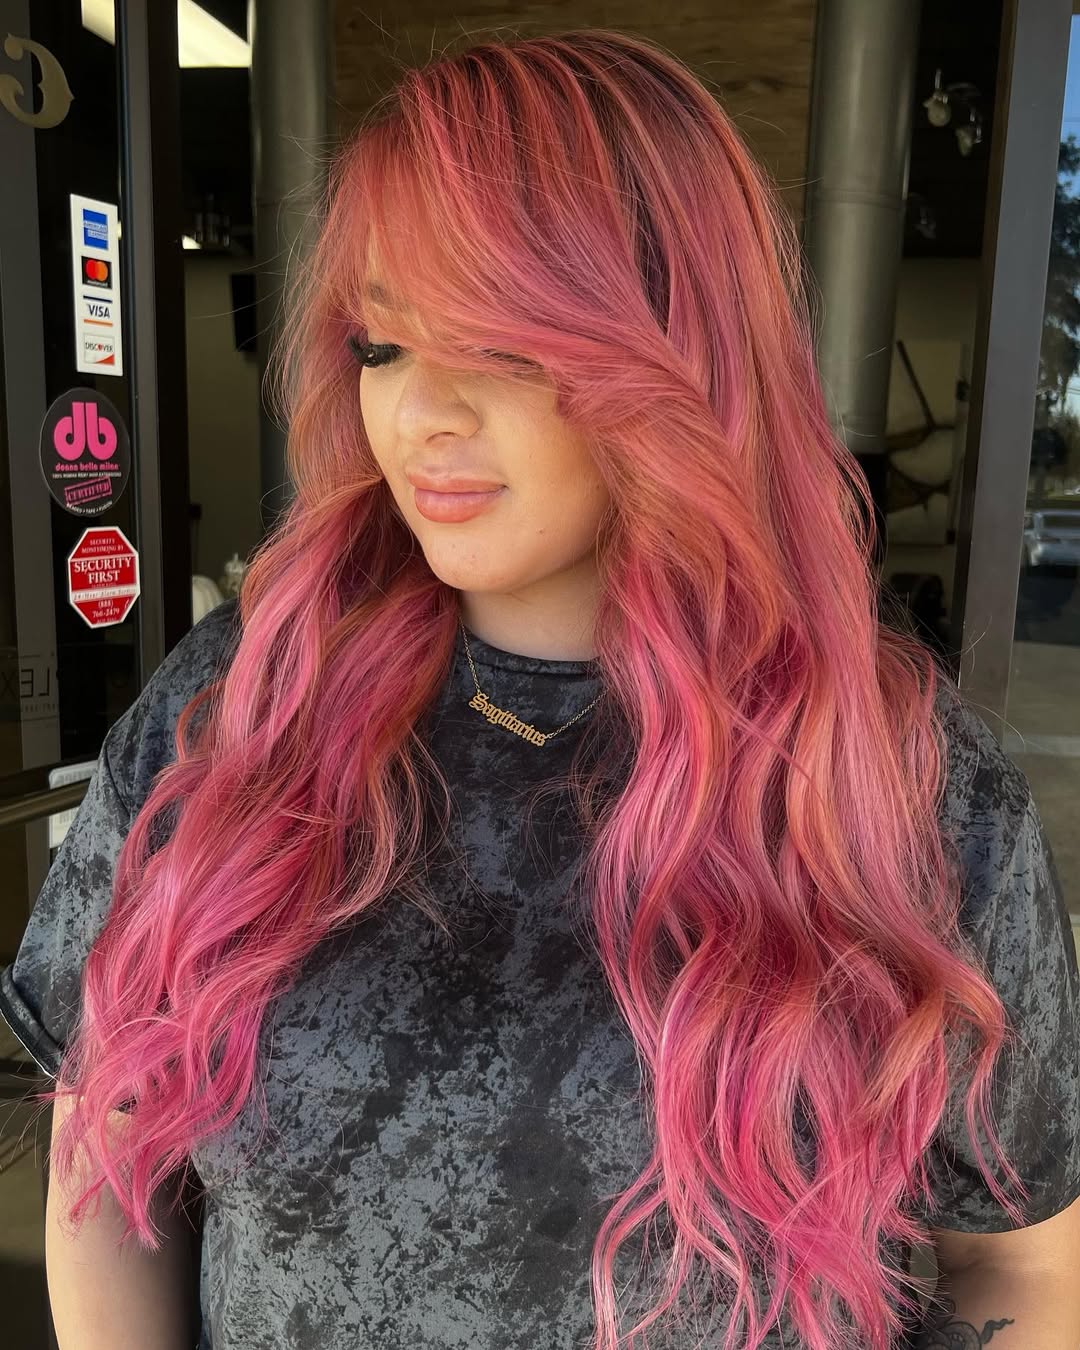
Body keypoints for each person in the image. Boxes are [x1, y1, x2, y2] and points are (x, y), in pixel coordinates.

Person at [3, 26, 1079, 1350]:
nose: (422, 415)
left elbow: (1019, 1263)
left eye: (503, 348)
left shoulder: (900, 783)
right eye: (382, 345)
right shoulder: (244, 702)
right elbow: (104, 1151)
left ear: (676, 355)